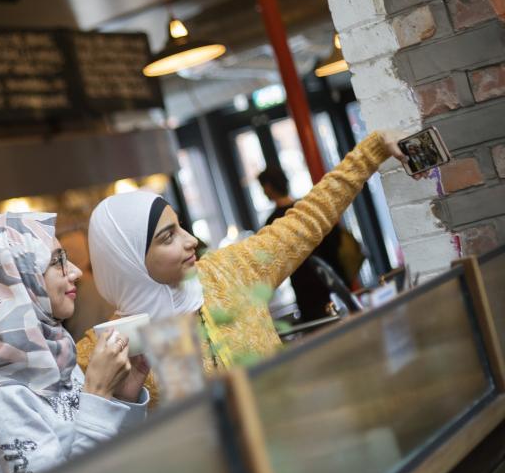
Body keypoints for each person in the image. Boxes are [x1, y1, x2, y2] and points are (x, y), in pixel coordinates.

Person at [82, 130, 409, 373]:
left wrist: (372, 151)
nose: (190, 240)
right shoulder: (107, 352)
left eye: (181, 227)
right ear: (128, 261)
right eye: (167, 237)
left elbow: (308, 220)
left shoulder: (229, 271)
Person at [0, 212, 149, 473]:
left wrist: (123, 397)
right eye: (57, 262)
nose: (77, 272)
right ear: (13, 282)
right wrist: (99, 395)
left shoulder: (49, 356)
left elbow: (119, 464)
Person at [257, 165, 344, 322]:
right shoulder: (307, 207)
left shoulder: (273, 222)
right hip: (331, 277)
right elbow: (334, 239)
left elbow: (275, 261)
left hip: (305, 289)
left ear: (268, 187)